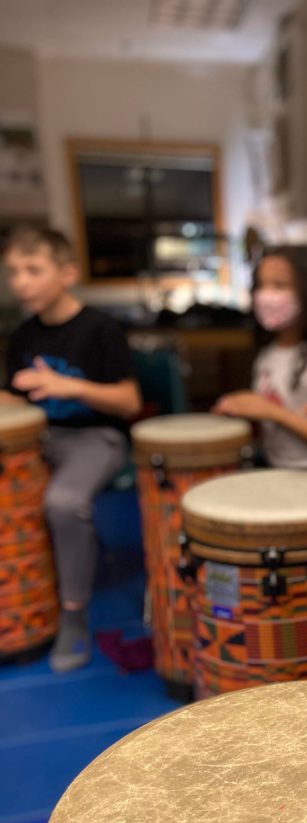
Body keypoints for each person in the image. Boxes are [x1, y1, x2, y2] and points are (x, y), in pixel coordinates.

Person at [1, 226, 141, 672]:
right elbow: (17, 400)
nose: (20, 281)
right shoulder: (22, 336)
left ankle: (73, 615)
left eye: (32, 269)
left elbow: (129, 401)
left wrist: (66, 386)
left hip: (98, 437)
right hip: (44, 439)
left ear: (67, 273)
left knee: (63, 503)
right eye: (13, 272)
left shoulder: (101, 329)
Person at [212, 245, 307, 475]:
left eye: (280, 285)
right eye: (261, 285)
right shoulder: (268, 353)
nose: (267, 295)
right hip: (281, 471)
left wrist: (272, 411)